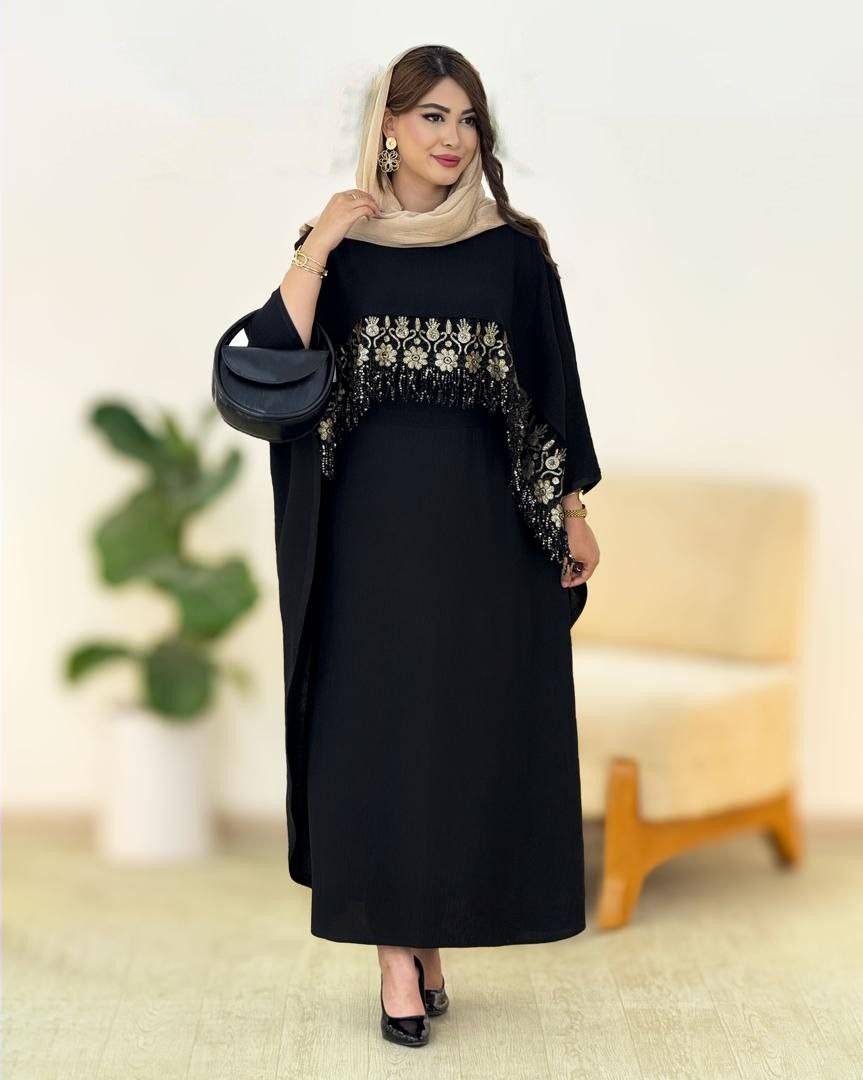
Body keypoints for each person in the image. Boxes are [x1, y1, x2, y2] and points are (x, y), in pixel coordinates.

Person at [239, 43, 602, 1047]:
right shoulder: (343, 247)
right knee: (378, 735)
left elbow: (553, 388)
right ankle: (395, 954)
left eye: (467, 119)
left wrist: (570, 509)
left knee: (456, 735)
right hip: (366, 533)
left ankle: (427, 933)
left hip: (484, 532)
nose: (452, 138)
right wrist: (320, 241)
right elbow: (271, 365)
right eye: (432, 116)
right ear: (389, 126)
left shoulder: (511, 251)